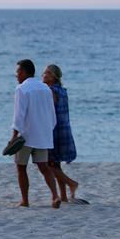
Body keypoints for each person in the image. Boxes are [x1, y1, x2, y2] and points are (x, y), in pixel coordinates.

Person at [11, 59, 61, 208]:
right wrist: (48, 130)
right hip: (43, 135)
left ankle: (25, 200)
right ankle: (55, 196)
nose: (16, 75)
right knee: (44, 167)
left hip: (26, 136)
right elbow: (52, 114)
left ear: (24, 72)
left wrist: (14, 136)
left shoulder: (21, 89)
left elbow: (19, 115)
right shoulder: (45, 88)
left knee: (21, 168)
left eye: (18, 71)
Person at [42, 64, 79, 202]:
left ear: (53, 77)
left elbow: (48, 112)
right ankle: (63, 196)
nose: (43, 76)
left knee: (48, 164)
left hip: (55, 130)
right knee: (56, 164)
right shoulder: (63, 90)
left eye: (46, 73)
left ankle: (72, 183)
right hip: (64, 128)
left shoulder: (50, 91)